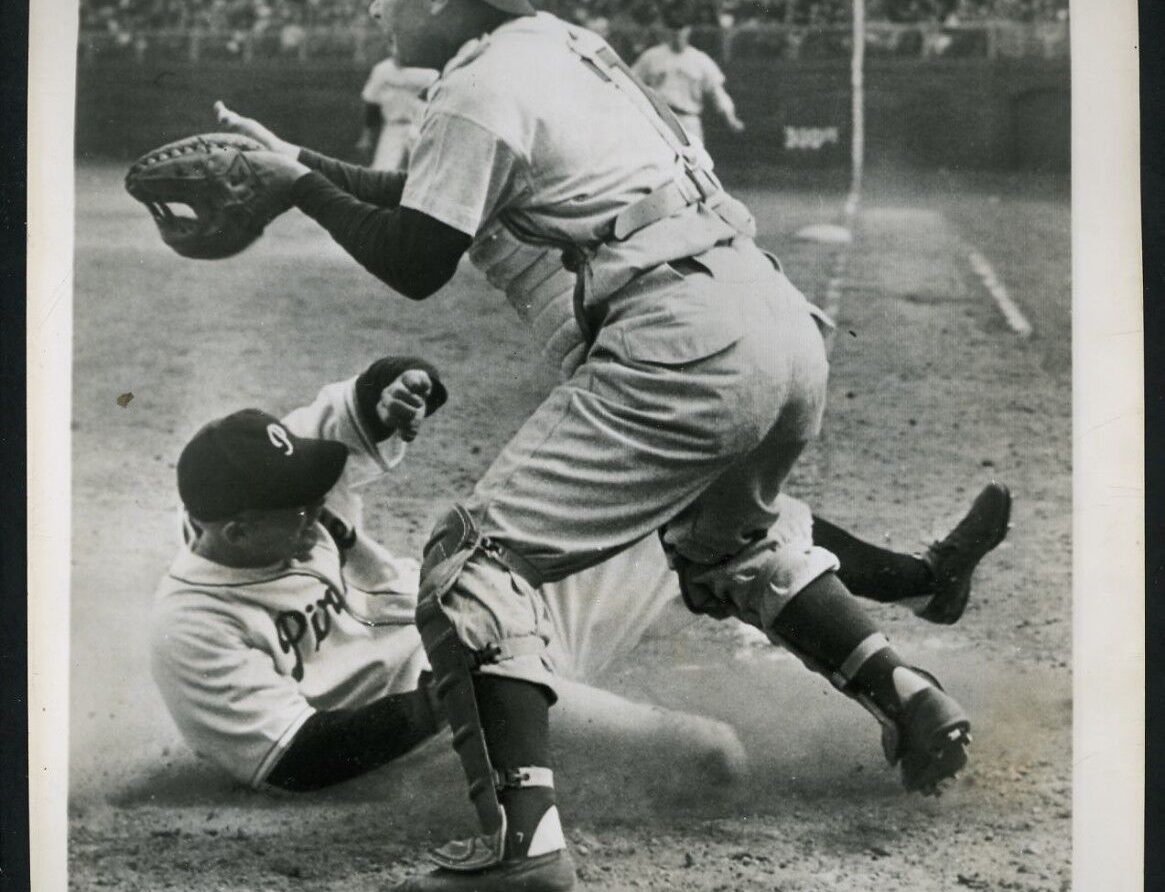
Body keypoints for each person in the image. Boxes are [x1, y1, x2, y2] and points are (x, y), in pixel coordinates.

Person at [214, 0, 1001, 892]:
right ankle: (908, 692)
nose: (376, 9)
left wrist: (299, 193)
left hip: (678, 339)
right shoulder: (561, 46)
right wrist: (294, 167)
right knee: (727, 544)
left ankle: (522, 843)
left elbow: (416, 259)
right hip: (772, 322)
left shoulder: (472, 88)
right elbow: (420, 195)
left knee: (466, 562)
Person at [151, 351, 1008, 802]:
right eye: (294, 506)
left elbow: (352, 412)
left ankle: (919, 584)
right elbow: (295, 761)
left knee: (696, 502)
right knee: (714, 758)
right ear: (229, 531)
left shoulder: (270, 501)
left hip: (485, 618)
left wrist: (397, 386)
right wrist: (461, 692)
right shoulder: (193, 630)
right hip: (453, 723)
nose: (315, 505)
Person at [631, 19, 745, 150]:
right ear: (667, 32)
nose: (677, 34)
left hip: (689, 119)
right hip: (661, 119)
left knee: (694, 161)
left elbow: (717, 93)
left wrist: (731, 118)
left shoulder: (700, 59)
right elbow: (632, 82)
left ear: (688, 31)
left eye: (681, 29)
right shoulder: (651, 57)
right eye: (673, 30)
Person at [355, 56, 438, 170]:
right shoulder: (382, 70)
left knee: (424, 171)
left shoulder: (429, 69)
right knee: (384, 171)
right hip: (393, 126)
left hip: (420, 127)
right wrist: (367, 135)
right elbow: (371, 103)